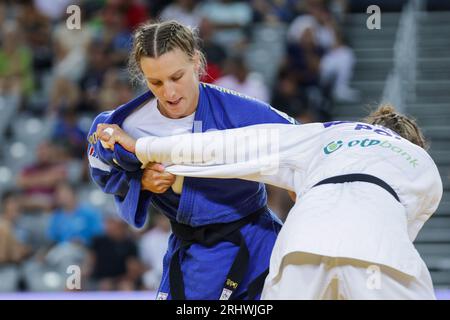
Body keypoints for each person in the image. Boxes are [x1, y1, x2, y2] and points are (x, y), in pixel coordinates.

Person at [96, 104, 443, 299]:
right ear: (413, 142)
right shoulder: (423, 166)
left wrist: (142, 147)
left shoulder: (329, 132)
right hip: (380, 253)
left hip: (301, 242)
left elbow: (229, 145)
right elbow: (391, 231)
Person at [87, 20, 297, 300]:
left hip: (256, 244)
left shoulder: (242, 113)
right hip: (191, 254)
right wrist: (140, 181)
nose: (169, 93)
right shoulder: (124, 125)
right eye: (156, 82)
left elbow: (306, 149)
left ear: (196, 62)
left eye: (177, 77)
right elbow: (104, 175)